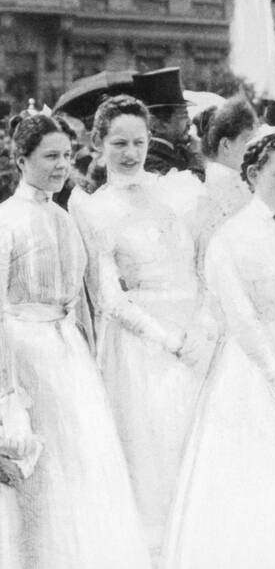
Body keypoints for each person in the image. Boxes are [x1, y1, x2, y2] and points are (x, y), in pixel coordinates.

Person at [163, 132, 275, 569]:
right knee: (260, 475)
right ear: (253, 175)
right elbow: (242, 321)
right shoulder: (231, 238)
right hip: (254, 371)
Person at [0, 114, 152, 569]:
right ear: (21, 159)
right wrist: (8, 396)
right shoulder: (7, 219)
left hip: (69, 354)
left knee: (83, 467)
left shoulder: (64, 216)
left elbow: (83, 300)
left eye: (67, 155)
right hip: (25, 352)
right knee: (45, 471)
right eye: (50, 156)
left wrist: (87, 353)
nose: (62, 165)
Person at [70, 95, 215, 551]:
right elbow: (109, 298)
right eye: (119, 144)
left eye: (138, 142)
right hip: (142, 347)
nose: (131, 153)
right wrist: (168, 340)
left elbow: (206, 266)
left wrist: (202, 329)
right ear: (98, 144)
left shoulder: (179, 191)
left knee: (201, 449)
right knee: (153, 457)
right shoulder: (94, 210)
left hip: (195, 334)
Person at [191, 96, 258, 253]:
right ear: (226, 145)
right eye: (248, 144)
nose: (255, 152)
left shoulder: (237, 184)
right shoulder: (224, 192)